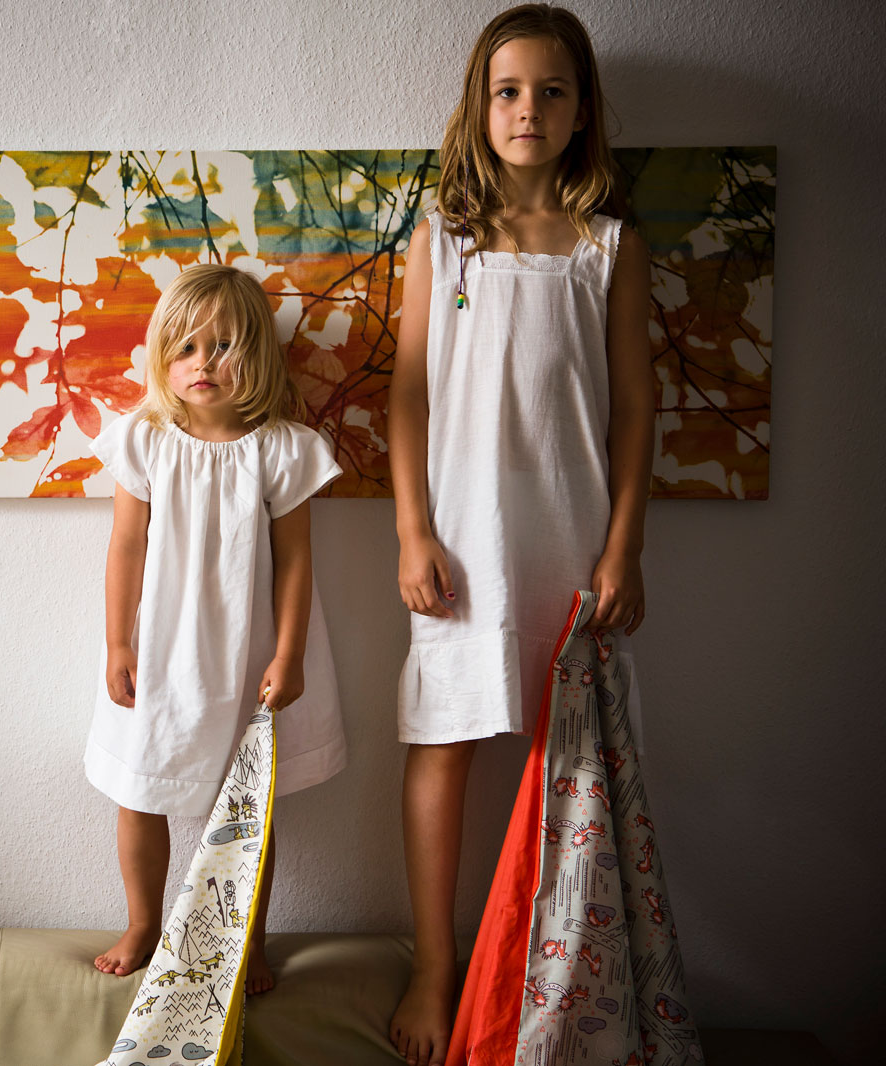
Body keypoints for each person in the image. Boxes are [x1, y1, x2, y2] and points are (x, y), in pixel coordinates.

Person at [384, 6, 654, 1064]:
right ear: (479, 106)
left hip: (571, 540)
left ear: (582, 110)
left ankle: (556, 980)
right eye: (507, 91)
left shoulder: (609, 247)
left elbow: (633, 410)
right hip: (458, 544)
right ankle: (435, 963)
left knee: (573, 759)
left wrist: (624, 547)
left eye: (550, 91)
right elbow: (407, 396)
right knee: (442, 742)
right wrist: (412, 530)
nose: (527, 109)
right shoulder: (443, 240)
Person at [86, 263, 347, 994]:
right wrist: (117, 641)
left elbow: (295, 561)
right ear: (163, 356)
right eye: (187, 347)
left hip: (247, 651)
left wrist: (290, 653)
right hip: (159, 649)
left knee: (247, 804)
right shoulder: (144, 441)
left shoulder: (283, 449)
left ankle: (246, 940)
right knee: (140, 788)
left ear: (256, 354)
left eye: (224, 346)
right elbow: (126, 546)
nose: (203, 363)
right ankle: (144, 923)